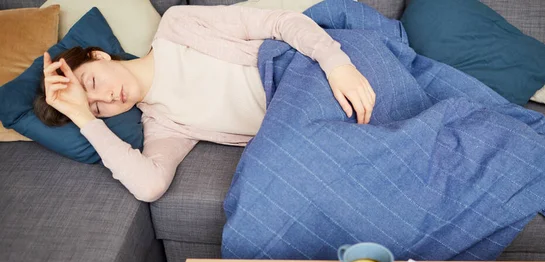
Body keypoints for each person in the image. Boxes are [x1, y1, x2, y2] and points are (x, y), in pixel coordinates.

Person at [35, 5, 376, 202]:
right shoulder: (163, 126)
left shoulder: (178, 26)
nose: (107, 98)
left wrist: (336, 64)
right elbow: (149, 186)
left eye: (92, 82)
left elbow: (279, 21)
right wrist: (83, 118)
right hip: (302, 126)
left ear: (99, 55)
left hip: (311, 69)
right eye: (96, 108)